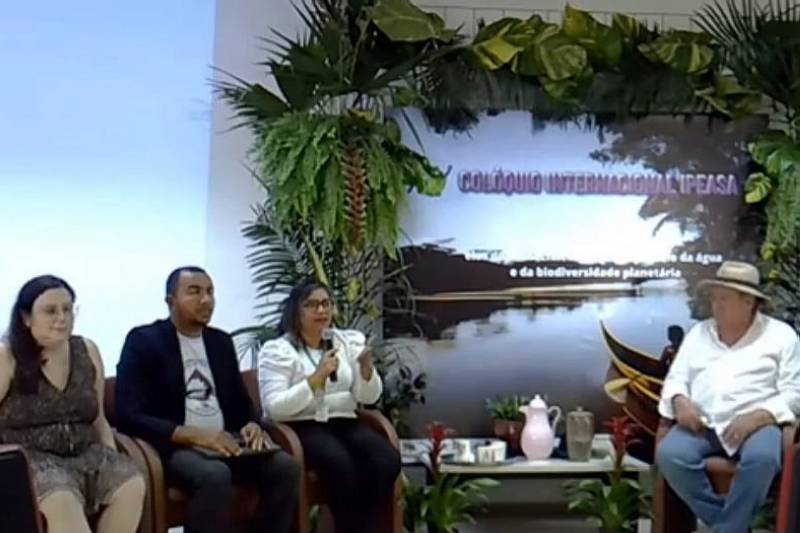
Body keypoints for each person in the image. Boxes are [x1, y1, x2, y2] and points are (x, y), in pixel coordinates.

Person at [115, 266, 299, 533]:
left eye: (210, 292)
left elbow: (241, 401)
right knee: (214, 475)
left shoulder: (220, 342)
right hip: (177, 448)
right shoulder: (144, 341)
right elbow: (127, 414)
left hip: (226, 442)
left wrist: (251, 424)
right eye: (194, 292)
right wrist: (191, 434)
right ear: (170, 301)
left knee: (285, 467)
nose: (206, 300)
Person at [656, 261, 800, 533]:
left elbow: (794, 393)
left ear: (749, 302)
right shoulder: (698, 333)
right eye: (714, 298)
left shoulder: (782, 336)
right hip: (703, 424)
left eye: (724, 298)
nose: (716, 305)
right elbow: (676, 379)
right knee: (671, 454)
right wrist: (680, 401)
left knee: (764, 459)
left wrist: (758, 417)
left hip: (758, 425)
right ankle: (732, 526)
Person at [0, 275, 145, 533]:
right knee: (61, 497)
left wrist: (111, 453)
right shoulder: (7, 356)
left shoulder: (86, 349)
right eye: (51, 311)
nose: (62, 318)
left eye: (67, 309)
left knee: (132, 482)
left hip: (86, 453)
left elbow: (98, 417)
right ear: (26, 317)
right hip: (32, 460)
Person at [258, 280, 401, 533]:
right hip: (301, 424)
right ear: (296, 310)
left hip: (344, 420)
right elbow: (275, 407)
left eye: (326, 304)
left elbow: (368, 398)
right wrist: (315, 378)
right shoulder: (278, 350)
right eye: (312, 305)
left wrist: (366, 369)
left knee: (385, 459)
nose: (321, 310)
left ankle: (360, 526)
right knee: (339, 463)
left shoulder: (346, 341)